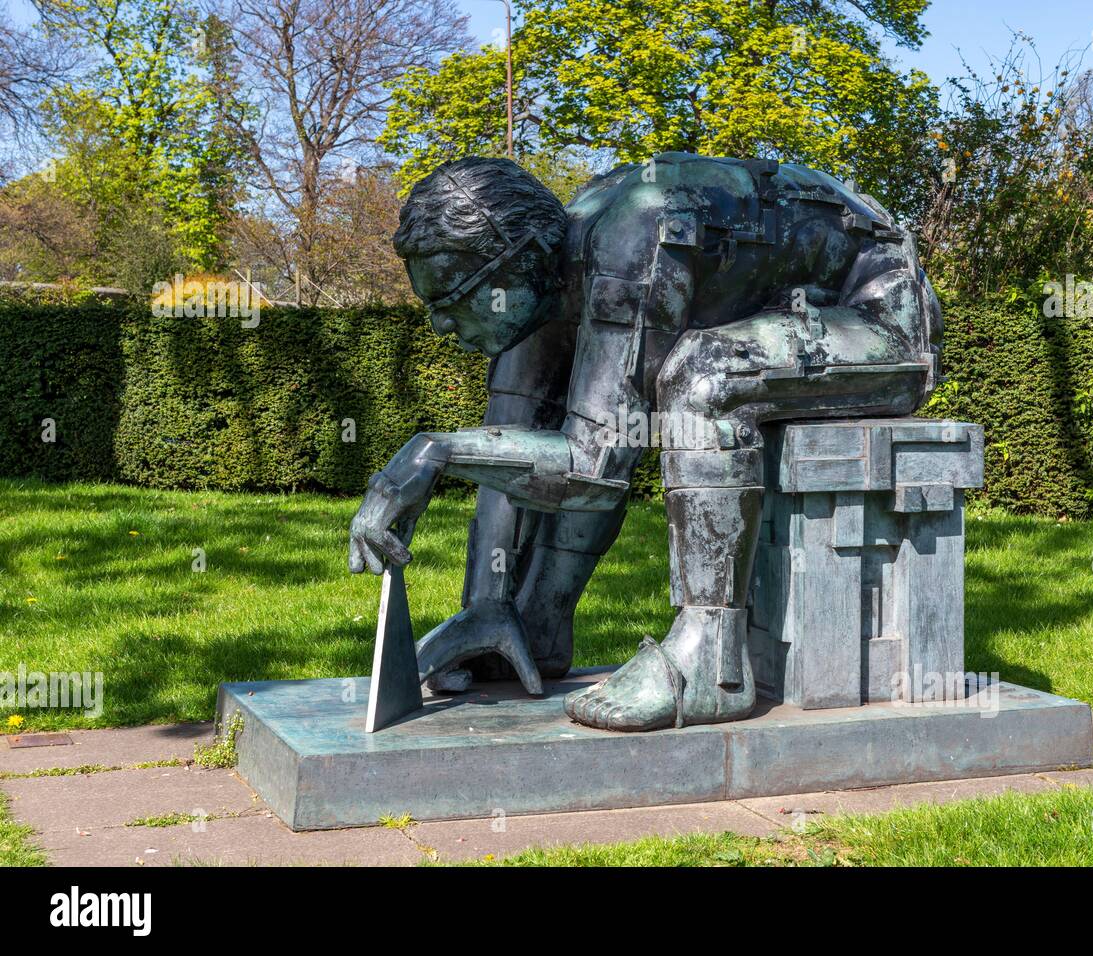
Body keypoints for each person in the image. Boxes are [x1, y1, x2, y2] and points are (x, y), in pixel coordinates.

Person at [348, 153, 942, 731]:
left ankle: (710, 663)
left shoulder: (632, 237)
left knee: (704, 378)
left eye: (453, 299)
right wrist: (486, 600)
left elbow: (591, 468)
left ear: (520, 259)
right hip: (811, 311)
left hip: (881, 323)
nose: (442, 325)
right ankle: (529, 624)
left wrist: (435, 454)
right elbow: (521, 433)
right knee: (620, 407)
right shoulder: (544, 267)